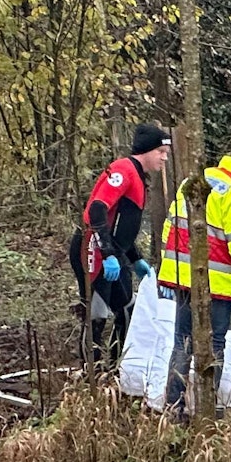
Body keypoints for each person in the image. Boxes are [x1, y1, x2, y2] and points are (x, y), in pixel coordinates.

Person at [157, 137, 231, 418]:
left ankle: (173, 408)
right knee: (214, 344)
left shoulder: (194, 181)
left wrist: (167, 276)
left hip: (184, 278)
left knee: (182, 342)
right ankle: (206, 409)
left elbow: (170, 228)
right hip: (217, 284)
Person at [69, 123, 171, 365]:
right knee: (97, 314)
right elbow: (97, 210)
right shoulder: (123, 170)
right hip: (92, 248)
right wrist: (107, 253)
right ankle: (89, 375)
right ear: (147, 150)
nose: (165, 158)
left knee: (128, 310)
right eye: (161, 152)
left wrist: (135, 258)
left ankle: (117, 369)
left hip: (114, 252)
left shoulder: (139, 177)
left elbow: (122, 225)